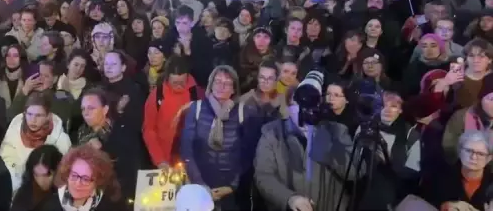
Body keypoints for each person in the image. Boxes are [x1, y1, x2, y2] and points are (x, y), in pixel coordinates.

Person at [254, 85, 360, 211]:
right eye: (297, 104)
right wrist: (290, 198)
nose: (303, 110)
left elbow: (355, 172)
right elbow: (264, 176)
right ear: (288, 106)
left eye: (309, 104)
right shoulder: (272, 133)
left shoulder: (337, 131)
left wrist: (329, 146)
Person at [180, 65, 247, 210]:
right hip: (199, 185)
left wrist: (232, 186)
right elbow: (187, 150)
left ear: (234, 89)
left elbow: (246, 154)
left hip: (229, 190)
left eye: (227, 83)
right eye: (217, 81)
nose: (221, 86)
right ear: (210, 85)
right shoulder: (196, 109)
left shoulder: (243, 112)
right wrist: (200, 184)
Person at [0, 92, 71, 192]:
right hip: (12, 186)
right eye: (29, 114)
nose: (33, 120)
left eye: (38, 115)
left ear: (48, 116)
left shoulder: (61, 139)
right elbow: (5, 156)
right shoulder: (15, 128)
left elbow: (62, 174)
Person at [143, 56, 202, 168]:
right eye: (175, 83)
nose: (179, 86)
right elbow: (149, 130)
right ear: (167, 78)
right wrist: (159, 160)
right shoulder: (156, 96)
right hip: (165, 159)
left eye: (182, 82)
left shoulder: (197, 93)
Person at [44, 145, 126, 210]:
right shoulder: (48, 206)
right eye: (74, 176)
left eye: (85, 179)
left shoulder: (111, 207)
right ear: (67, 175)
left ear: (98, 181)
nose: (78, 183)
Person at [427, 130, 493, 211]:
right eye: (469, 151)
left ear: (489, 158)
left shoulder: (491, 182)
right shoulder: (438, 177)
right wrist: (444, 206)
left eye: (480, 154)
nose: (473, 157)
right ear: (460, 151)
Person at [11, 145, 63, 211]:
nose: (40, 179)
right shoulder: (23, 194)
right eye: (36, 173)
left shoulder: (62, 199)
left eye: (47, 173)